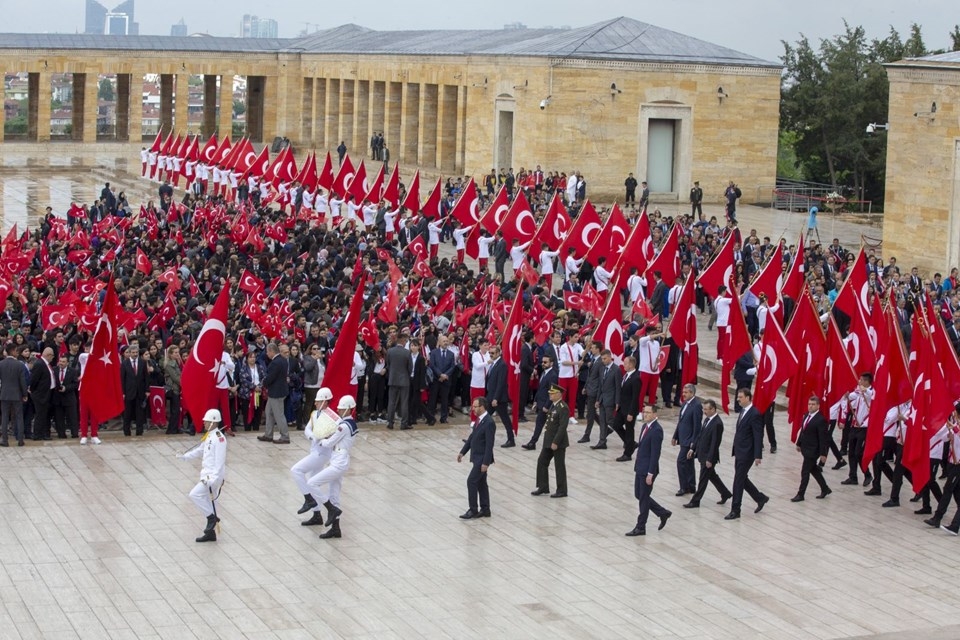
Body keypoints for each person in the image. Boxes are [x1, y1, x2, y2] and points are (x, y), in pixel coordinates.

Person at [305, 394, 358, 540]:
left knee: (312, 483)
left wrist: (320, 439)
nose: (339, 411)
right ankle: (336, 528)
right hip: (340, 459)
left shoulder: (343, 426)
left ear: (349, 410)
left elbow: (328, 443)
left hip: (339, 461)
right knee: (334, 493)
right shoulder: (350, 424)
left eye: (342, 409)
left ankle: (331, 509)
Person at [177, 409, 227, 543]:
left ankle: (211, 518)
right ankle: (210, 533)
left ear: (213, 422)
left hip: (212, 477)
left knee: (194, 494)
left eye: (207, 421)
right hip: (207, 475)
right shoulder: (209, 435)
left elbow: (220, 461)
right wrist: (185, 457)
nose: (204, 422)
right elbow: (200, 450)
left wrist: (214, 478)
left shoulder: (219, 438)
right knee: (211, 502)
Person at [292, 388, 338, 523]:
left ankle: (308, 499)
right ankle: (317, 514)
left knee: (296, 470)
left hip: (322, 453)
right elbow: (307, 428)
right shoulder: (315, 414)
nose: (315, 403)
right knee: (312, 481)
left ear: (324, 401)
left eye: (318, 401)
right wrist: (313, 436)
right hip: (314, 450)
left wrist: (322, 438)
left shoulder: (331, 417)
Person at [626, 405, 671, 536]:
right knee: (639, 495)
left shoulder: (657, 430)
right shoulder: (645, 427)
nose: (645, 414)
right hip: (640, 467)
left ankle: (641, 527)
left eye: (648, 412)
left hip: (647, 470)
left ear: (655, 414)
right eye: (644, 412)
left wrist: (650, 473)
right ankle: (663, 512)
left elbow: (655, 454)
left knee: (643, 498)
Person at [725, 388, 769, 520]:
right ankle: (760, 498)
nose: (738, 399)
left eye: (740, 397)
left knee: (738, 480)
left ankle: (735, 509)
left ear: (748, 398)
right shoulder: (743, 411)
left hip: (747, 453)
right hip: (739, 451)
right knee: (742, 478)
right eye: (738, 397)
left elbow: (758, 435)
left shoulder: (754, 413)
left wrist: (757, 455)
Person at [684, 399, 732, 508]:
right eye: (703, 409)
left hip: (708, 457)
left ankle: (695, 501)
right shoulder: (707, 420)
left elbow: (715, 443)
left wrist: (710, 459)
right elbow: (700, 435)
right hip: (702, 454)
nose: (704, 411)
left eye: (706, 409)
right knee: (712, 476)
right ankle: (725, 493)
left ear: (713, 409)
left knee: (703, 479)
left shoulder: (717, 424)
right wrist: (693, 448)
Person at [458, 397, 495, 519]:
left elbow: (490, 445)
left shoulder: (489, 422)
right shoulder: (479, 420)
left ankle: (473, 509)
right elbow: (472, 438)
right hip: (477, 457)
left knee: (471, 481)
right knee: (481, 483)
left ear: (482, 407)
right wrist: (463, 452)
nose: (473, 409)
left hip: (482, 459)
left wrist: (486, 462)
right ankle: (485, 509)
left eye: (475, 406)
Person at [531, 384, 570, 498]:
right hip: (549, 441)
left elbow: (562, 427)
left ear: (558, 394)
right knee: (542, 461)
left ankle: (562, 490)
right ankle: (543, 486)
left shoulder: (563, 407)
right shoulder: (554, 406)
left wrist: (556, 442)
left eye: (552, 393)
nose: (550, 395)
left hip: (558, 442)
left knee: (559, 466)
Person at [791, 396, 832, 502]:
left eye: (813, 404)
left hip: (813, 450)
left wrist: (824, 454)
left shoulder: (820, 420)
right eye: (809, 404)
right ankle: (825, 488)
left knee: (805, 471)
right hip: (805, 448)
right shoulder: (806, 416)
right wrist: (799, 443)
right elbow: (803, 431)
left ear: (818, 406)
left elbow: (823, 439)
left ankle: (801, 494)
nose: (810, 406)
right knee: (813, 469)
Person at [672, 384, 702, 496]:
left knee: (681, 462)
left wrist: (693, 444)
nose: (683, 394)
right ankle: (691, 485)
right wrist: (675, 436)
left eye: (686, 392)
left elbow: (697, 426)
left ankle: (684, 487)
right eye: (683, 392)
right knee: (688, 463)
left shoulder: (696, 406)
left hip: (689, 440)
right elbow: (681, 421)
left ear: (692, 393)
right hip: (683, 438)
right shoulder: (685, 404)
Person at [258, 343, 290, 444]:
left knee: (279, 415)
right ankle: (268, 434)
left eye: (267, 352)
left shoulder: (275, 363)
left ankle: (285, 436)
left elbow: (271, 377)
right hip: (278, 391)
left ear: (272, 351)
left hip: (276, 393)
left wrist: (263, 383)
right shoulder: (283, 360)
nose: (267, 354)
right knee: (269, 412)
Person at [485, 346, 515, 447]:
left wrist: (496, 398)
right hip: (491, 396)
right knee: (483, 417)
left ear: (498, 353)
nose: (491, 355)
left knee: (505, 419)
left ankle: (511, 439)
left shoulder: (502, 365)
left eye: (493, 353)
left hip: (498, 399)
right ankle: (474, 437)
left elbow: (501, 383)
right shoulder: (494, 363)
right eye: (490, 353)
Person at [0, 342, 28, 447]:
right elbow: (22, 381)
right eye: (16, 350)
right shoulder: (19, 365)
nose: (17, 352)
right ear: (12, 351)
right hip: (17, 394)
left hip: (4, 394)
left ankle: (5, 440)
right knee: (19, 417)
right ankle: (20, 440)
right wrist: (25, 394)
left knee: (5, 417)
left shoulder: (1, 364)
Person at [120, 343, 148, 437]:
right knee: (127, 413)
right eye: (133, 352)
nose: (135, 354)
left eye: (136, 352)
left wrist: (147, 390)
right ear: (130, 353)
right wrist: (123, 392)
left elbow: (146, 377)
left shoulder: (142, 363)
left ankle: (139, 431)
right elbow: (122, 379)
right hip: (129, 392)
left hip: (140, 392)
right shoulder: (125, 364)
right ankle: (126, 431)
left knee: (139, 413)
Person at [385, 339, 412, 430]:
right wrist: (406, 376)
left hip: (393, 379)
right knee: (404, 402)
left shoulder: (390, 351)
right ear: (403, 342)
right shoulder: (407, 353)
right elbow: (410, 367)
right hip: (404, 380)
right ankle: (404, 423)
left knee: (391, 402)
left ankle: (390, 422)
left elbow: (388, 365)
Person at [29, 347, 56, 440]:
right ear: (48, 355)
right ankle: (37, 434)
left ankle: (44, 433)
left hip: (47, 394)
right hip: (40, 395)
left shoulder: (46, 364)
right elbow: (34, 379)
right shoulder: (40, 364)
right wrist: (33, 390)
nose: (53, 358)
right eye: (52, 356)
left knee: (44, 415)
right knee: (40, 415)